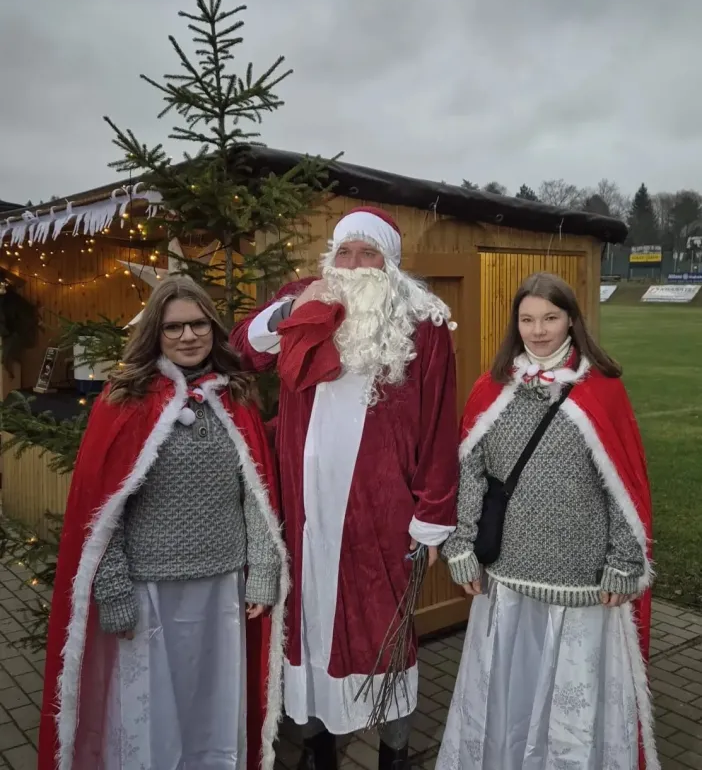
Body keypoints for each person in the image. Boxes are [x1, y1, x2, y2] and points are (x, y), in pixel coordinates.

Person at [230, 207, 459, 769]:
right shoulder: (304, 299)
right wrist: (290, 311)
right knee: (308, 632)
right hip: (305, 513)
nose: (354, 265)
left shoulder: (423, 322)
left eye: (369, 253)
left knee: (387, 636)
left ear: (391, 263)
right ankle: (319, 747)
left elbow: (437, 427)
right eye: (345, 253)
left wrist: (431, 516)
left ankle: (394, 751)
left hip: (382, 517)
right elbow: (243, 349)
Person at [38, 276, 289, 770]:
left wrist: (262, 569)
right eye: (174, 327)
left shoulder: (235, 395)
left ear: (213, 330)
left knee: (213, 704)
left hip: (222, 588)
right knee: (148, 712)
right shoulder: (123, 399)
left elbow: (256, 495)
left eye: (199, 324)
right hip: (149, 589)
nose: (188, 336)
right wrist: (110, 587)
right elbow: (102, 510)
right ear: (156, 332)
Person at [437, 272, 658, 770]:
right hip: (508, 581)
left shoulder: (601, 391)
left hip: (581, 581)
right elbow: (471, 472)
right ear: (515, 324)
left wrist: (625, 560)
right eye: (528, 319)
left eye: (550, 318)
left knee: (570, 707)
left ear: (572, 321)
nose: (538, 330)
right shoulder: (492, 388)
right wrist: (460, 545)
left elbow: (623, 487)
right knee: (509, 695)